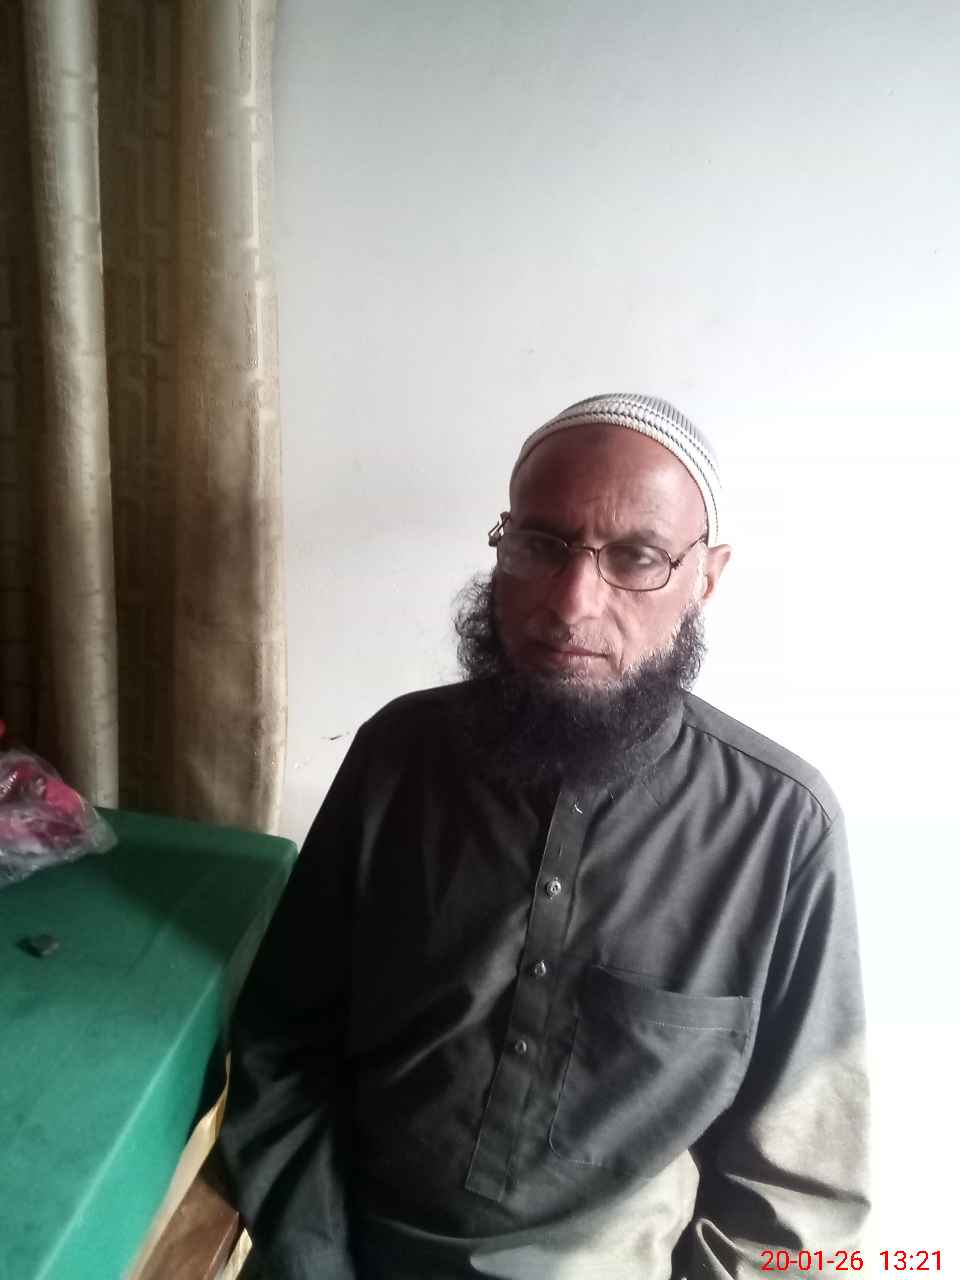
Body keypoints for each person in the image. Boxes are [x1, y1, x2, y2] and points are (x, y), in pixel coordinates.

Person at [220, 393, 869, 1279]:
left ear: (706, 577)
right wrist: (312, 1260)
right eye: (541, 545)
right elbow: (284, 1041)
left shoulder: (782, 827)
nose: (571, 603)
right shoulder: (399, 754)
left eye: (637, 557)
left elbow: (797, 1195)